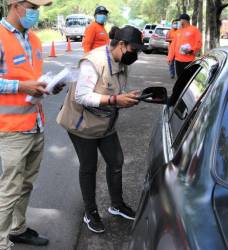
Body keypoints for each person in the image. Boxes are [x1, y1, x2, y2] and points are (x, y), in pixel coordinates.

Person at [0, 0, 64, 249]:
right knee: (10, 188)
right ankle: (0, 245)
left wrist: (49, 86)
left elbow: (32, 80)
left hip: (35, 123)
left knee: (26, 184)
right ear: (15, 5)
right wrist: (20, 86)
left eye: (38, 8)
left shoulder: (33, 40)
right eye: (32, 6)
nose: (36, 12)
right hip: (11, 128)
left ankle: (18, 228)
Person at [56, 26, 143, 234]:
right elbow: (82, 96)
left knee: (116, 161)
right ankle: (90, 211)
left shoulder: (121, 61)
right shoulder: (93, 62)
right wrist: (115, 99)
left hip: (105, 123)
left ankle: (116, 204)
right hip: (82, 124)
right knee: (89, 167)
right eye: (134, 49)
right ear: (121, 45)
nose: (136, 54)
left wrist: (127, 96)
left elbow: (113, 89)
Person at [168, 13, 202, 79]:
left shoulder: (194, 30)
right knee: (179, 79)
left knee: (187, 79)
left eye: (180, 20)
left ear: (184, 20)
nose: (179, 22)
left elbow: (199, 42)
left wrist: (192, 51)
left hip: (189, 60)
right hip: (178, 60)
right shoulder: (178, 31)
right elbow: (173, 45)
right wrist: (170, 57)